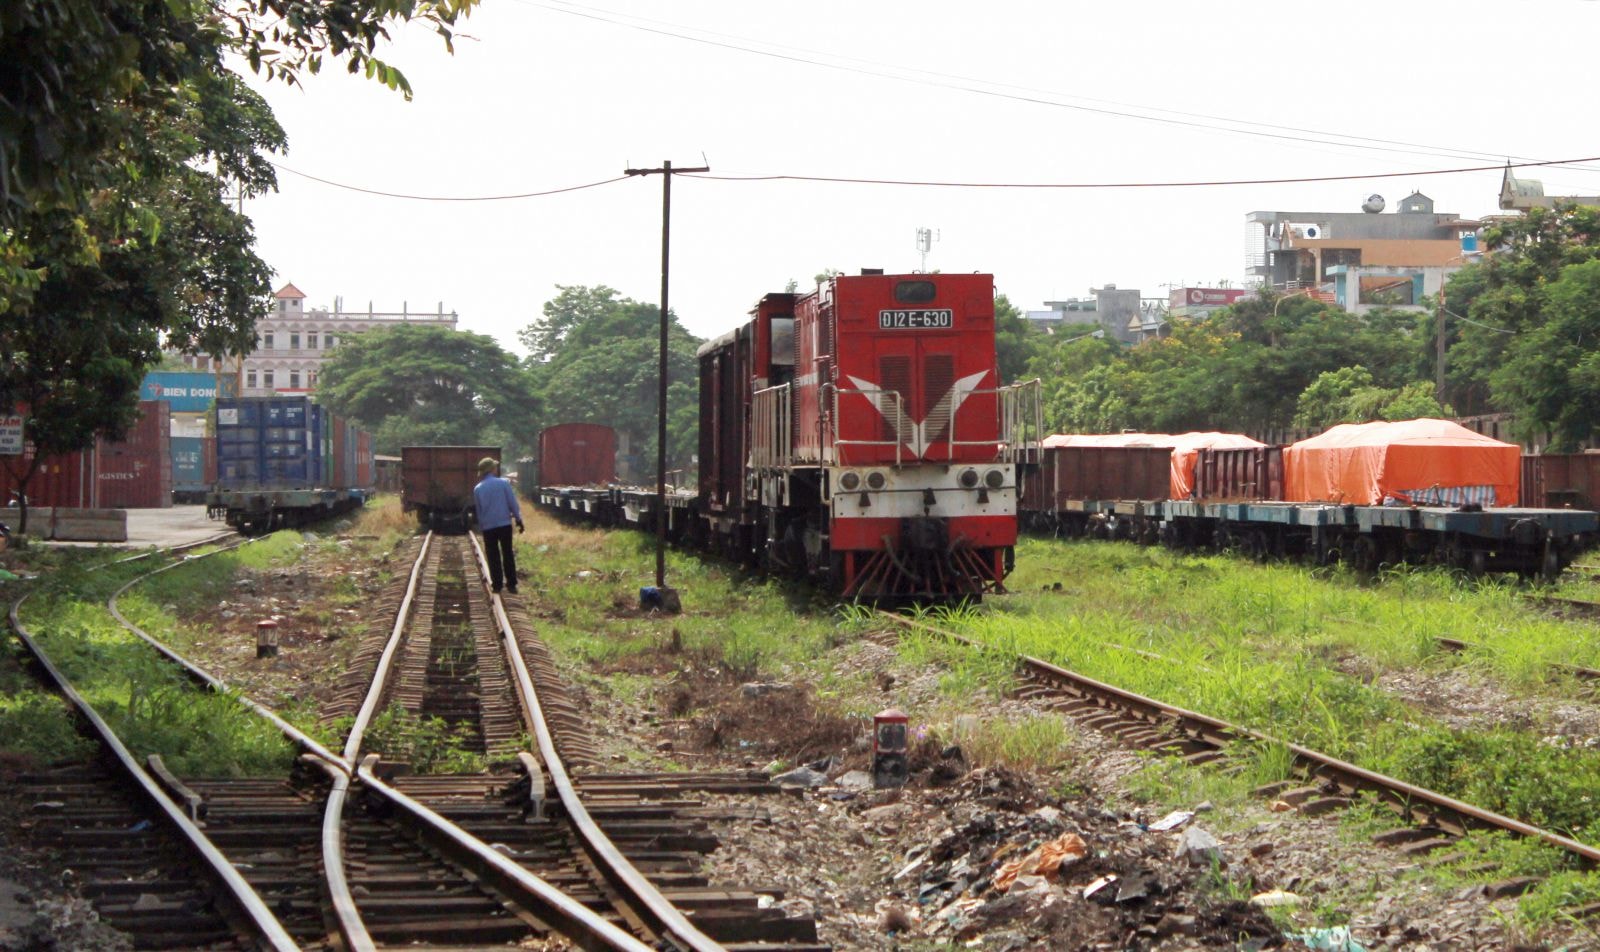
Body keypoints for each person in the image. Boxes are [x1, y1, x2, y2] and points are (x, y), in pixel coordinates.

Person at [473, 457, 523, 594]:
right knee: (507, 553)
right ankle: (511, 584)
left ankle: (497, 584)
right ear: (492, 469)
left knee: (492, 554)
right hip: (504, 524)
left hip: (488, 527)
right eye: (495, 467)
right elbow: (512, 503)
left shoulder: (477, 489)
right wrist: (518, 519)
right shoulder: (504, 483)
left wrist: (482, 526)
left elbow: (479, 510)